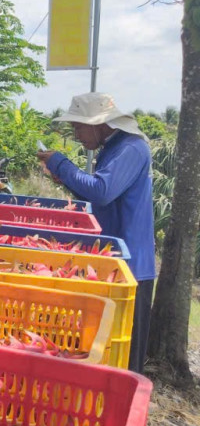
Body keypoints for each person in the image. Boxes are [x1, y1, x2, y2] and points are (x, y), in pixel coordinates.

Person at [35, 92, 155, 374]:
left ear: (98, 123)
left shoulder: (132, 148)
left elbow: (102, 192)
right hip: (112, 258)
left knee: (125, 357)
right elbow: (99, 195)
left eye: (78, 127)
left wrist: (60, 163)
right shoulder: (112, 148)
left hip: (132, 266)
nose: (77, 135)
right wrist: (64, 177)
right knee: (104, 350)